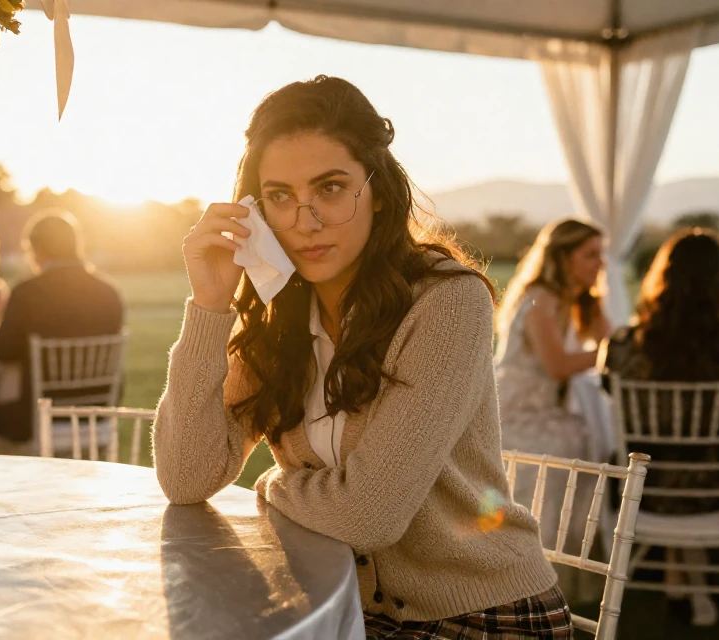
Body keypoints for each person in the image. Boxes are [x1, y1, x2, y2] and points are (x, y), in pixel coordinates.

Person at [153, 76, 569, 637]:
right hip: (344, 608)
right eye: (280, 196)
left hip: (483, 615)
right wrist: (209, 304)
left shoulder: (447, 302)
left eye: (330, 188)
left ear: (378, 191)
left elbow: (369, 515)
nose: (305, 222)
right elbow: (186, 478)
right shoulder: (277, 316)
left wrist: (272, 486)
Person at [599, 229, 719, 626]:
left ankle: (678, 581)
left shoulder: (626, 345)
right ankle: (690, 584)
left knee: (653, 454)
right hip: (716, 489)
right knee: (690, 454)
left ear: (662, 278)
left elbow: (607, 386)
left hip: (648, 490)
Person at [494, 219, 609, 569]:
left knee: (590, 437)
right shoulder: (538, 298)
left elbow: (610, 340)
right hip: (513, 412)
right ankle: (533, 559)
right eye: (590, 255)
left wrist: (600, 319)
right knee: (577, 441)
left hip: (547, 409)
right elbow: (557, 365)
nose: (600, 263)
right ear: (563, 257)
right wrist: (611, 353)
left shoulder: (578, 301)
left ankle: (568, 558)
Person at [0, 210, 124, 455]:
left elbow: (4, 351)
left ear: (38, 249)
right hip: (97, 410)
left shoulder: (27, 292)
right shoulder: (110, 293)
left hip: (38, 414)